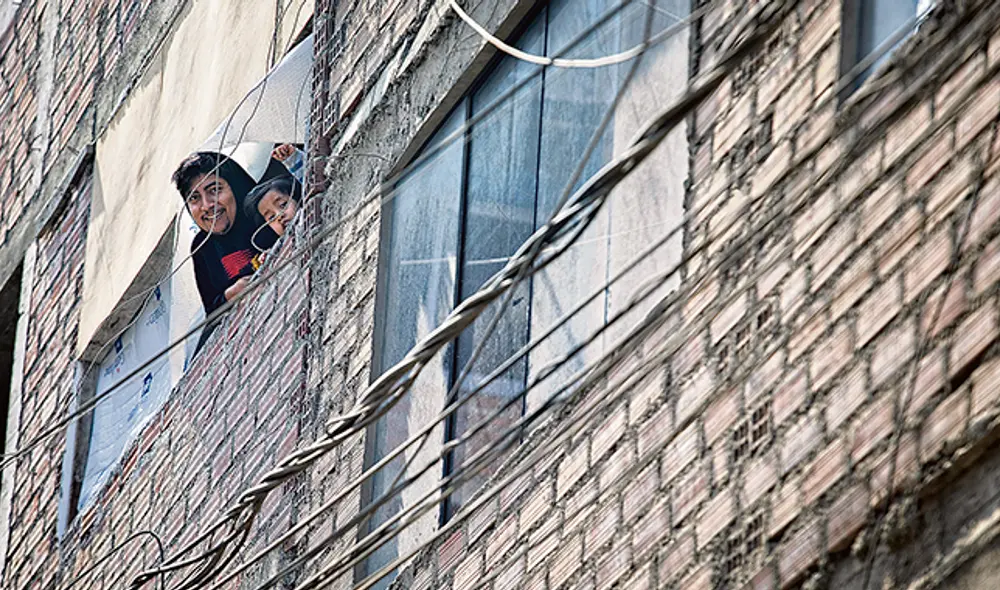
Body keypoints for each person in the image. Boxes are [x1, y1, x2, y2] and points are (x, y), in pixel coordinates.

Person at [172, 152, 278, 314]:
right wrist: (231, 294)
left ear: (235, 186)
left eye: (214, 190)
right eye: (194, 198)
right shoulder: (203, 248)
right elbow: (212, 313)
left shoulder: (266, 212)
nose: (206, 205)